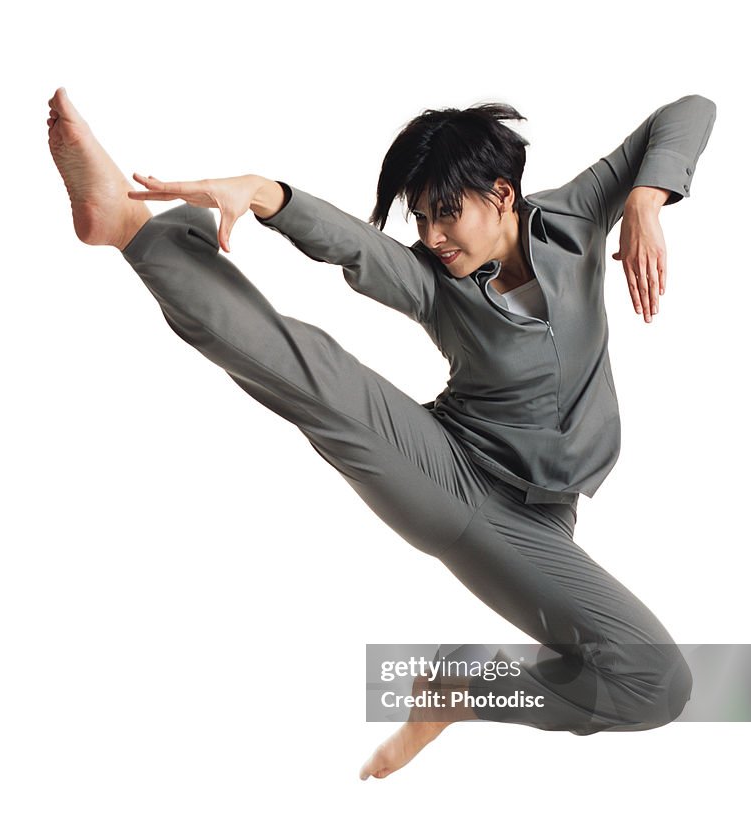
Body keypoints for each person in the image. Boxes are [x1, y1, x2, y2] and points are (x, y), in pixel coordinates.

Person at [46, 86, 716, 780]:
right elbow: (360, 248)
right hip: (455, 479)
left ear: (501, 194)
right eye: (420, 216)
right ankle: (130, 225)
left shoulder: (576, 217)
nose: (430, 236)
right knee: (318, 382)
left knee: (654, 685)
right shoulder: (435, 283)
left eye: (446, 213)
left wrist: (644, 199)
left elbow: (689, 109)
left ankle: (464, 691)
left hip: (547, 521)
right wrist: (270, 194)